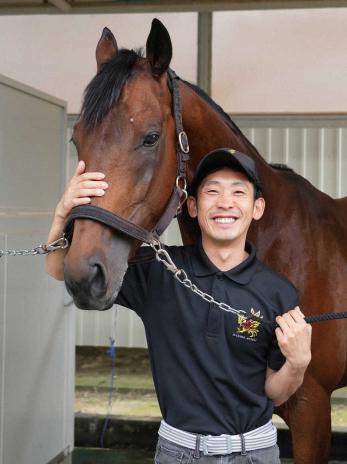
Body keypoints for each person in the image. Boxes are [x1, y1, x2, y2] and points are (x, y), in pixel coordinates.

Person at [46, 149, 312, 463]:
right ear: (194, 207)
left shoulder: (278, 293)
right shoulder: (160, 271)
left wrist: (297, 364)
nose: (225, 202)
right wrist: (64, 214)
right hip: (179, 452)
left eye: (238, 192)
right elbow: (59, 269)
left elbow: (274, 392)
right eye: (212, 191)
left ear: (257, 208)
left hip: (254, 452)